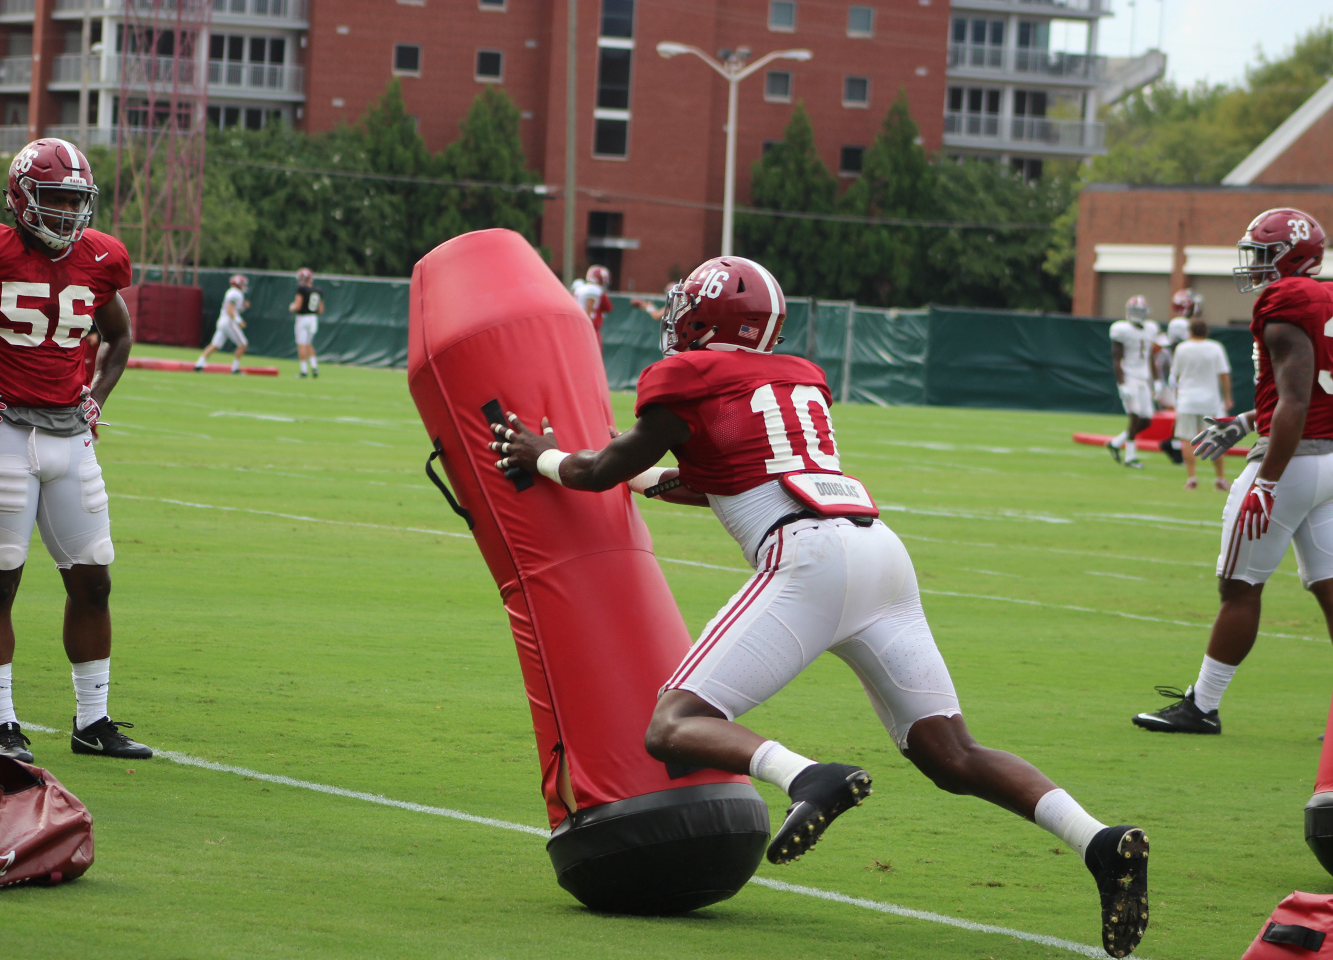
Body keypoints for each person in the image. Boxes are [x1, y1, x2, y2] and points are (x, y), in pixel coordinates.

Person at [492, 255, 1150, 959]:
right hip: (881, 557)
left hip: (808, 558)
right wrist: (644, 483)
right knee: (952, 753)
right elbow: (718, 474)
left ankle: (810, 777)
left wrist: (542, 457)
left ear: (706, 314)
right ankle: (1099, 841)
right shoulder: (796, 375)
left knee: (673, 726)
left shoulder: (687, 376)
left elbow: (598, 471)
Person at [0, 138, 150, 763]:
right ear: (22, 199)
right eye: (54, 198)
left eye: (77, 200)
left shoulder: (100, 259)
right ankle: (1, 726)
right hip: (3, 433)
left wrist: (97, 396)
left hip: (70, 434)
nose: (68, 212)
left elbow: (120, 335)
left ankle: (92, 719)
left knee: (94, 578)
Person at [1135, 208, 1333, 736]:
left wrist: (1266, 480)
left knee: (1240, 587)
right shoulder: (1327, 296)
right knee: (1331, 586)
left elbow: (1294, 399)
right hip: (1331, 462)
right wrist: (1247, 419)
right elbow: (1313, 387)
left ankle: (1202, 706)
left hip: (1291, 463)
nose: (1256, 266)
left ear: (1292, 255)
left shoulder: (1286, 298)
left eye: (1264, 254)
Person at [1170, 320, 1232, 492]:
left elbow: (1174, 375)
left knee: (1186, 439)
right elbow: (1224, 374)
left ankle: (1191, 478)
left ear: (1190, 331)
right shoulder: (1215, 348)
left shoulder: (1181, 348)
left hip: (1187, 400)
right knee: (1216, 439)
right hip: (1210, 401)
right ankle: (1220, 479)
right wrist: (1227, 397)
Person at [1106, 296, 1160, 468]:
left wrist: (1157, 379)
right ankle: (1130, 457)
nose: (1138, 314)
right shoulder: (1121, 329)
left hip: (1143, 377)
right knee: (1135, 415)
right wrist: (1121, 383)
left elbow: (1150, 356)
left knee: (1147, 420)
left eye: (1140, 311)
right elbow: (1116, 358)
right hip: (1129, 376)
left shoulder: (1151, 328)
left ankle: (1116, 443)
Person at [194, 274, 249, 374]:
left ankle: (199, 364)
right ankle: (235, 369)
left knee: (215, 345)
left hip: (222, 321)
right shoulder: (235, 293)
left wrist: (243, 307)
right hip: (228, 322)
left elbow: (233, 309)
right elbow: (230, 309)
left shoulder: (231, 292)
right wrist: (239, 321)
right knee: (243, 344)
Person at [291, 267, 323, 379]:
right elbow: (320, 310)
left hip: (303, 318)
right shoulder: (318, 290)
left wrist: (292, 308)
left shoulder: (301, 289)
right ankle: (314, 367)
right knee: (309, 343)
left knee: (302, 344)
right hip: (313, 319)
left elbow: (298, 306)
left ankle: (304, 371)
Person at [571, 265, 612, 342]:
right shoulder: (597, 291)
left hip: (577, 326)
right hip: (592, 328)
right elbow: (608, 307)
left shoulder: (579, 289)